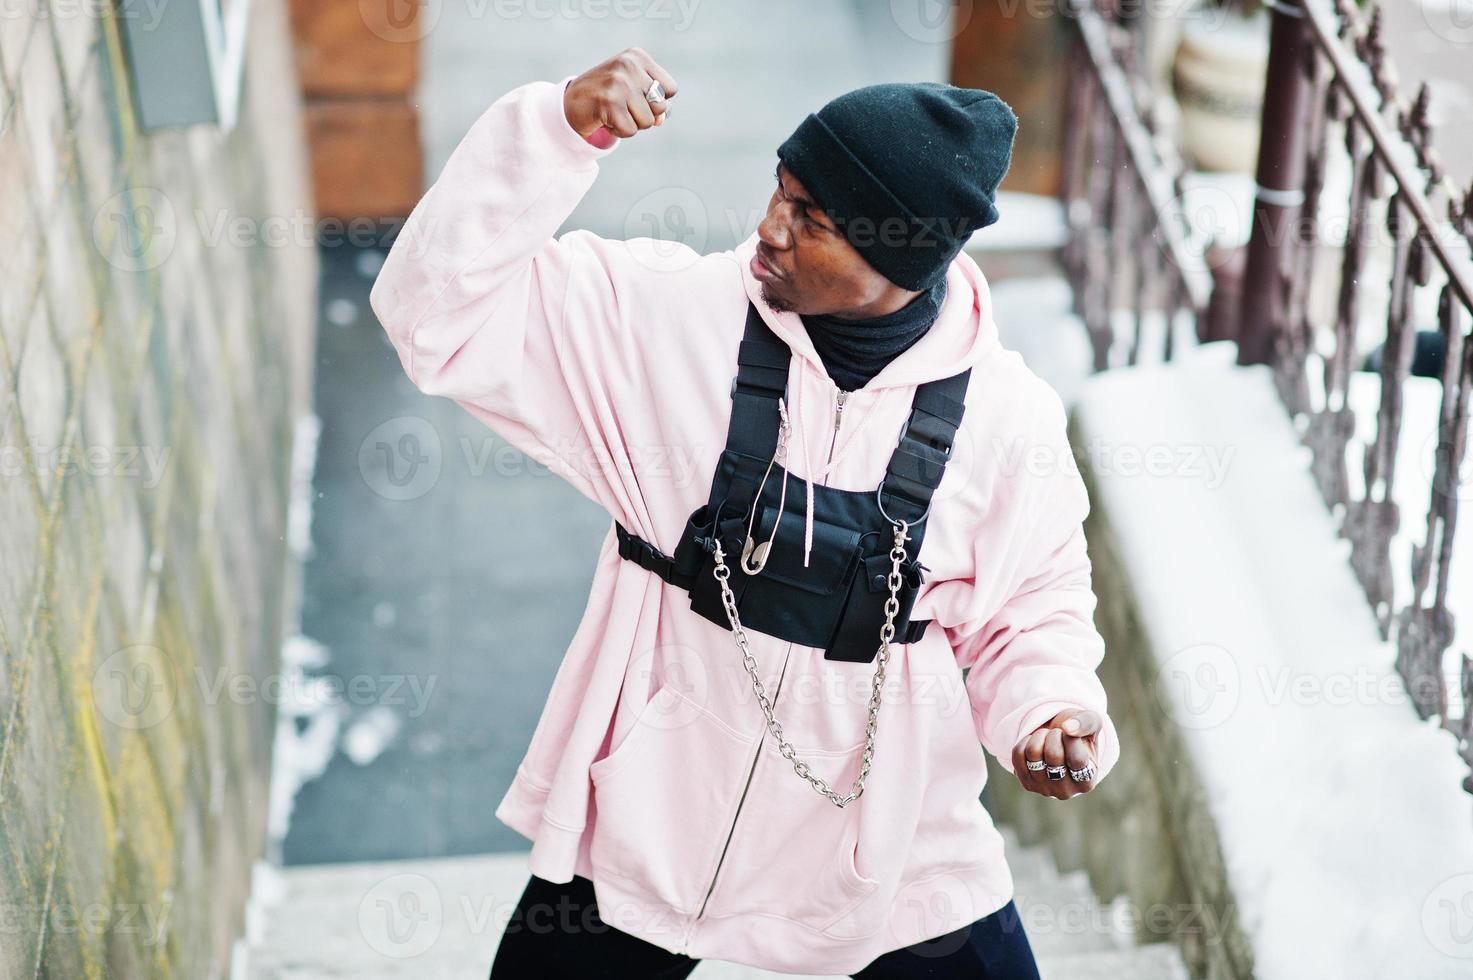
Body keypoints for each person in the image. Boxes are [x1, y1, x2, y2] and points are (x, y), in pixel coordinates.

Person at [370, 47, 1120, 979]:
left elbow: (1031, 612)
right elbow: (433, 312)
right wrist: (555, 130)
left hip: (887, 837)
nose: (768, 225)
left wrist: (1050, 712)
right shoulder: (667, 318)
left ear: (901, 260)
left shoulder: (1009, 420)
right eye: (780, 188)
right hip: (653, 811)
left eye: (810, 217)